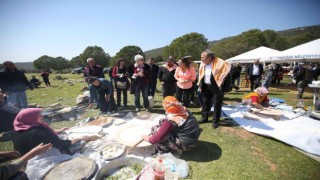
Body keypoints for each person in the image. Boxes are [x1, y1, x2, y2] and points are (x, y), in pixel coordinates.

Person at [12, 108, 81, 155]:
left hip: (26, 157)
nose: (42, 116)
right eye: (39, 115)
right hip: (39, 159)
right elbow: (60, 144)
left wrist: (59, 131)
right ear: (30, 118)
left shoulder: (18, 131)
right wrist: (72, 141)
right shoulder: (39, 132)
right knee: (81, 143)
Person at [197, 49, 231, 129]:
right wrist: (201, 86)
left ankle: (215, 121)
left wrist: (226, 89)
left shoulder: (221, 64)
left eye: (203, 57)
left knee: (217, 104)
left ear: (210, 57)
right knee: (205, 103)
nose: (201, 59)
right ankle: (204, 118)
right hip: (206, 86)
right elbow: (201, 76)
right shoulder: (202, 64)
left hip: (217, 87)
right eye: (201, 57)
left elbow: (228, 77)